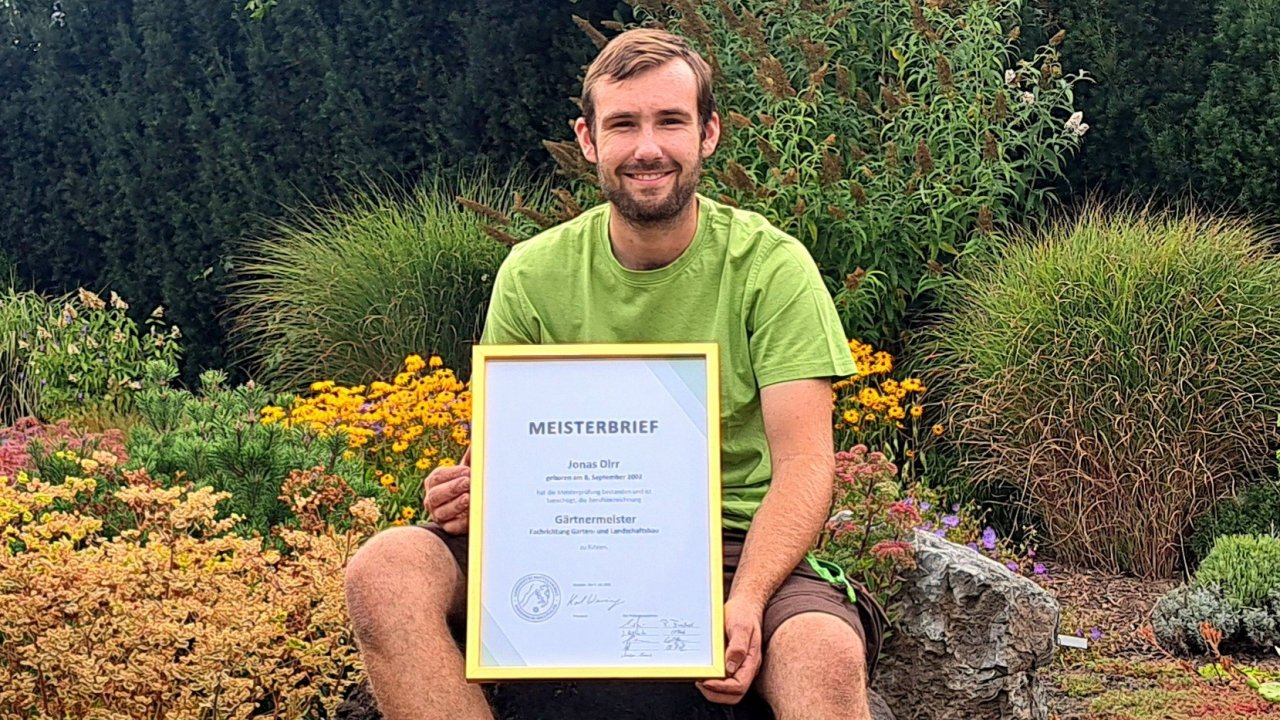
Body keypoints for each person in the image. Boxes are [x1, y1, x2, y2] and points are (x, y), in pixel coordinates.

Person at [343, 27, 887, 720]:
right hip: (563, 539)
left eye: (670, 121)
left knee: (823, 652)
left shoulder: (772, 269)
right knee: (383, 573)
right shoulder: (534, 273)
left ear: (708, 133)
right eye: (624, 124)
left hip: (734, 545)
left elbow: (807, 464)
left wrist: (746, 600)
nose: (648, 147)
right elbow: (504, 454)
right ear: (589, 138)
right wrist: (471, 488)